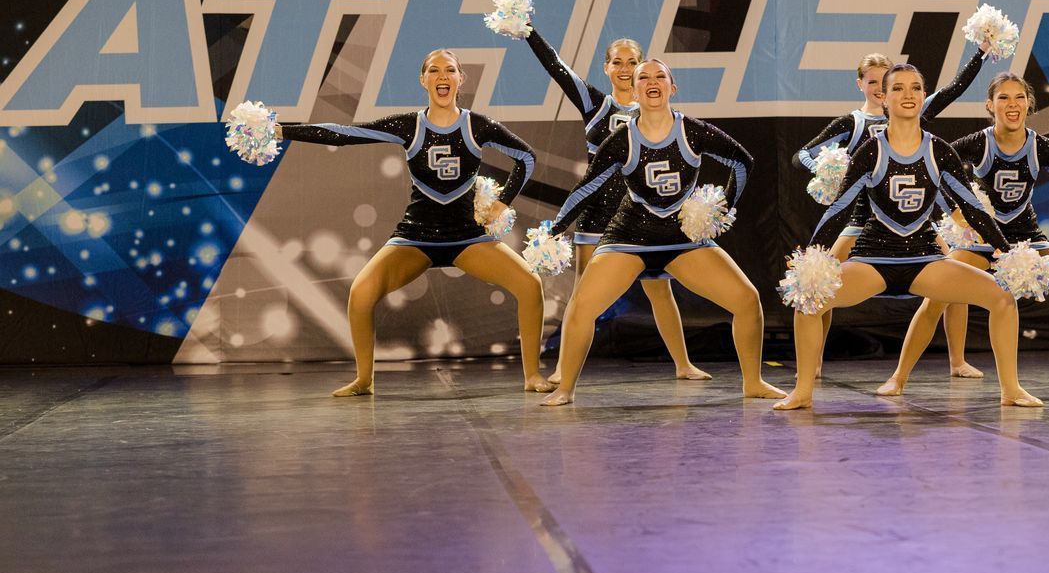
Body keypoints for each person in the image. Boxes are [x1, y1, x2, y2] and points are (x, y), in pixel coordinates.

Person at [276, 50, 551, 396]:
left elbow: (526, 156)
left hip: (467, 238)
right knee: (361, 292)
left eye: (450, 70)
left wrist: (501, 203)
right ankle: (364, 380)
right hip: (416, 238)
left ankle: (532, 377)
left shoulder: (476, 125)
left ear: (460, 79)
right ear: (423, 80)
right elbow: (345, 134)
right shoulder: (409, 126)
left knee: (530, 285)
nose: (442, 76)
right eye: (434, 70)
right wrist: (282, 131)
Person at [774, 63, 1042, 411]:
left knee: (1003, 297)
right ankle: (803, 392)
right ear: (884, 98)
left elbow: (973, 208)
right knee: (808, 301)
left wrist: (1006, 252)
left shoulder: (939, 150)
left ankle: (1011, 389)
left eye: (915, 88)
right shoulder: (870, 151)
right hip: (874, 260)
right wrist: (812, 258)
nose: (908, 95)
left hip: (925, 260)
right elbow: (838, 209)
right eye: (898, 88)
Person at [539, 59, 785, 406]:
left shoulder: (693, 131)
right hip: (630, 237)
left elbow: (742, 162)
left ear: (673, 88)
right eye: (644, 78)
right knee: (581, 307)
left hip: (681, 238)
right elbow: (587, 187)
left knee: (747, 300)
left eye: (660, 77)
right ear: (634, 90)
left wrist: (722, 208)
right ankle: (566, 389)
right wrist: (556, 228)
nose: (652, 82)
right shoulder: (620, 140)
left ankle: (753, 382)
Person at [878, 72, 1049, 395]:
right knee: (935, 299)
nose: (1012, 105)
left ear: (1029, 104)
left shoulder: (1041, 146)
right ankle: (898, 378)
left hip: (1028, 238)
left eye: (1019, 98)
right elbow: (932, 169)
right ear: (990, 105)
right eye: (1003, 98)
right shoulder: (978, 143)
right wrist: (955, 210)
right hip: (981, 241)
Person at [792, 44, 990, 378]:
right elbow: (802, 154)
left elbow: (954, 90)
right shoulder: (851, 124)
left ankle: (957, 361)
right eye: (872, 82)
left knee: (957, 278)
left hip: (914, 223)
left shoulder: (910, 109)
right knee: (821, 281)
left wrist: (981, 53)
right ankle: (812, 363)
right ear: (862, 85)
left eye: (885, 81)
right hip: (861, 222)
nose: (879, 87)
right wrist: (829, 170)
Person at [523, 27, 707, 382]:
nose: (625, 69)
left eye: (633, 62)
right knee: (583, 297)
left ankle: (683, 365)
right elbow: (556, 67)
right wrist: (529, 32)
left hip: (643, 215)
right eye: (617, 62)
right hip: (597, 215)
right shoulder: (596, 104)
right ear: (606, 68)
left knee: (660, 289)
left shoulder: (657, 107)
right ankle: (564, 368)